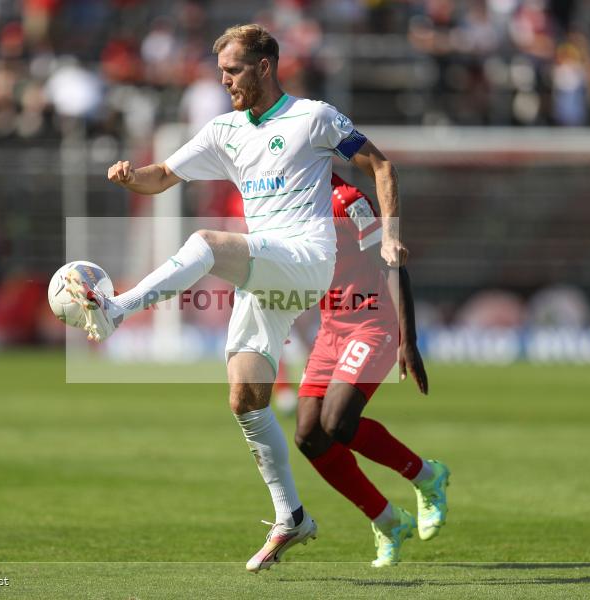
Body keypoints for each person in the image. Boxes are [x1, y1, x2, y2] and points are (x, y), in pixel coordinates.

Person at [91, 24, 407, 572]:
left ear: (265, 67)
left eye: (234, 70)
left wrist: (393, 231)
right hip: (266, 271)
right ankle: (291, 516)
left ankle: (118, 308)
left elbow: (379, 164)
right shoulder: (225, 131)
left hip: (307, 259)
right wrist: (129, 176)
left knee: (207, 242)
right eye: (221, 72)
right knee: (244, 397)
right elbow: (162, 175)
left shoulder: (313, 117)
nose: (225, 80)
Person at [296, 174, 449, 567]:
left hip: (371, 322)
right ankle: (387, 520)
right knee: (308, 436)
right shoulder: (285, 202)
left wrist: (407, 341)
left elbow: (392, 261)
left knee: (337, 423)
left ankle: (426, 475)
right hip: (330, 328)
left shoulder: (347, 201)